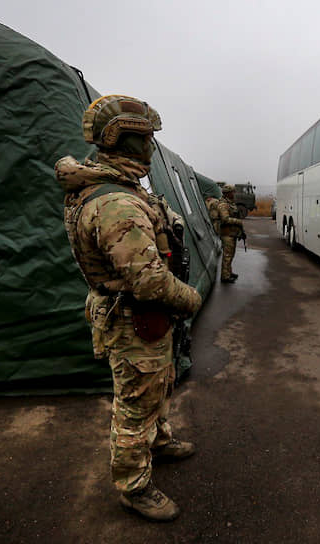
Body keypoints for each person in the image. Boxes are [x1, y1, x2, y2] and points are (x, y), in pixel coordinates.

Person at [55, 95, 202, 522]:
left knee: (157, 387)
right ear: (124, 141)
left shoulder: (122, 189)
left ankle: (159, 442)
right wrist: (189, 300)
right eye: (146, 139)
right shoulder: (116, 202)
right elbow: (149, 280)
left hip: (145, 318)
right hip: (133, 318)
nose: (153, 148)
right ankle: (134, 487)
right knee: (134, 406)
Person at [218, 184, 244, 283]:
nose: (234, 193)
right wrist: (238, 222)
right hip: (227, 234)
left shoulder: (230, 203)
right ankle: (225, 276)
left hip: (232, 233)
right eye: (232, 192)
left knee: (231, 254)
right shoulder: (223, 204)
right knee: (227, 255)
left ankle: (228, 272)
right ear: (227, 193)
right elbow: (225, 219)